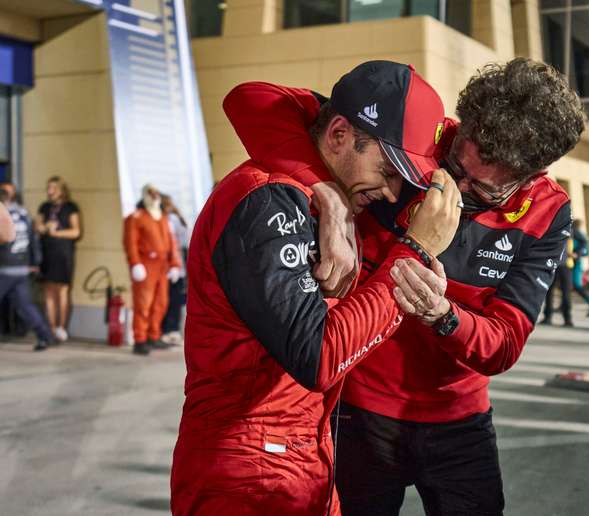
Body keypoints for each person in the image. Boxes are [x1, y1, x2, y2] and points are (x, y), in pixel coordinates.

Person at [225, 57, 584, 515]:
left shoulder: (548, 212)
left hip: (460, 420)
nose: (458, 191)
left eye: (484, 191)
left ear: (531, 176)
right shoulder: (423, 142)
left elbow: (505, 344)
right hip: (358, 412)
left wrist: (443, 316)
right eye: (455, 170)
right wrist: (327, 193)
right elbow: (251, 100)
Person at [171, 61, 462, 515]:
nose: (390, 191)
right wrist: (415, 252)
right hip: (248, 472)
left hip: (305, 456)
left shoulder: (325, 192)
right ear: (340, 134)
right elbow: (319, 356)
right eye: (386, 169)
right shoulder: (266, 199)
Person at [123, 184, 182, 356]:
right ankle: (140, 339)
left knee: (160, 302)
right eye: (151, 192)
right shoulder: (136, 217)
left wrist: (175, 264)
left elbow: (171, 241)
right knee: (143, 303)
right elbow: (130, 242)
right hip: (146, 263)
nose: (155, 195)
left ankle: (153, 335)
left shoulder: (162, 216)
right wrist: (135, 263)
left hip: (162, 265)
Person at [0, 186, 54, 351]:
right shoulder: (23, 214)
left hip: (6, 268)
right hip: (22, 268)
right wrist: (35, 262)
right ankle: (45, 336)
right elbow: (33, 238)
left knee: (24, 305)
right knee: (25, 305)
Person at [35, 176, 81, 343]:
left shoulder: (71, 207)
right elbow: (37, 226)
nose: (49, 191)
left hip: (63, 253)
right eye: (48, 188)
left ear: (61, 190)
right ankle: (51, 327)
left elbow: (76, 232)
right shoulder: (44, 207)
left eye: (53, 188)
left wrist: (57, 233)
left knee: (62, 291)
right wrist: (43, 228)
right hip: (47, 252)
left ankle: (62, 327)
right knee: (48, 291)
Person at [160, 194, 188, 346]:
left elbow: (179, 242)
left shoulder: (170, 219)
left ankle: (169, 330)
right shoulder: (175, 218)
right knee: (173, 300)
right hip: (174, 266)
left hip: (173, 266)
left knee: (172, 300)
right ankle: (171, 330)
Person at [542, 239, 574, 327]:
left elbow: (583, 243)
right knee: (549, 291)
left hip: (566, 266)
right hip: (553, 264)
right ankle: (547, 317)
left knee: (566, 292)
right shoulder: (552, 226)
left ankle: (568, 319)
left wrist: (578, 253)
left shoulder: (571, 229)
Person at [571, 218, 589, 317]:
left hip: (575, 263)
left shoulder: (576, 233)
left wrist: (577, 254)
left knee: (577, 285)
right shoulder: (574, 232)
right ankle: (563, 306)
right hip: (571, 263)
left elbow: (585, 247)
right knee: (568, 285)